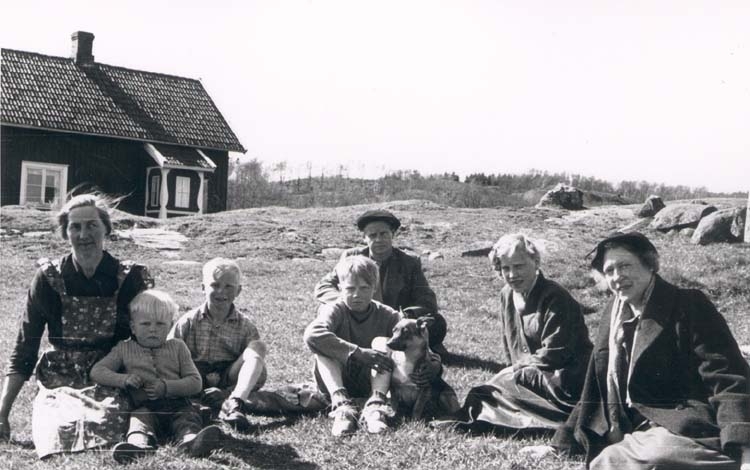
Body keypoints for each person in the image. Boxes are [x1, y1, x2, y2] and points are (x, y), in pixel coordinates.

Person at [527, 232, 750, 470]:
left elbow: (726, 377)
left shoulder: (688, 304)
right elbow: (595, 387)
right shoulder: (613, 314)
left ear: (650, 264)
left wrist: (744, 448)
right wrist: (560, 444)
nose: (617, 277)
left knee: (638, 458)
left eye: (625, 266)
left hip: (683, 422)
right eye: (609, 270)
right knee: (631, 457)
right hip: (634, 425)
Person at [0, 193, 154, 458]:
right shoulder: (48, 278)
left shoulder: (130, 277)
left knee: (110, 420)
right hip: (60, 375)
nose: (84, 235)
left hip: (110, 371)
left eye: (92, 225)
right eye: (75, 227)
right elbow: (26, 347)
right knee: (55, 426)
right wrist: (2, 413)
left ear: (106, 228)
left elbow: (150, 337)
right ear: (65, 232)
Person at [435, 233, 592, 431]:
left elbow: (555, 353)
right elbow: (509, 343)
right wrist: (513, 372)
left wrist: (514, 372)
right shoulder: (507, 294)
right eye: (505, 268)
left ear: (536, 263)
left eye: (519, 266)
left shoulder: (556, 297)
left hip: (564, 380)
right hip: (530, 374)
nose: (512, 275)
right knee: (486, 394)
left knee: (490, 393)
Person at [304, 255, 441, 437]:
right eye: (350, 288)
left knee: (381, 342)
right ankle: (342, 407)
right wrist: (358, 353)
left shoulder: (388, 315)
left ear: (374, 288)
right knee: (322, 346)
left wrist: (434, 365)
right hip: (336, 379)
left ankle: (376, 406)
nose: (356, 295)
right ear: (340, 288)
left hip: (371, 381)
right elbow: (311, 335)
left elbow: (420, 344)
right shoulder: (335, 309)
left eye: (364, 288)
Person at [90, 290, 223, 463]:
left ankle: (191, 441)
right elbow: (97, 371)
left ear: (170, 325)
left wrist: (167, 387)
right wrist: (124, 379)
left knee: (188, 417)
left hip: (178, 405)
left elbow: (195, 382)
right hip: (145, 407)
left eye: (160, 324)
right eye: (145, 324)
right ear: (133, 327)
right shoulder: (123, 349)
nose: (153, 329)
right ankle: (138, 446)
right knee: (139, 420)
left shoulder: (178, 347)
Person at [314, 209, 448, 357]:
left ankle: (400, 347)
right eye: (372, 235)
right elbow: (324, 286)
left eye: (384, 234)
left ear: (393, 234)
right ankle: (346, 347)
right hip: (356, 318)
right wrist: (346, 301)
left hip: (391, 323)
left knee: (437, 322)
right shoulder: (352, 257)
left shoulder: (409, 262)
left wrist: (407, 314)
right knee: (324, 309)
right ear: (364, 238)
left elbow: (426, 299)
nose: (378, 239)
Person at [169, 257, 267, 432]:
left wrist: (227, 391)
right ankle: (194, 401)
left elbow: (256, 372)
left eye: (229, 286)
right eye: (215, 285)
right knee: (172, 353)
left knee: (258, 347)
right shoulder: (188, 321)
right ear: (203, 287)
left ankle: (235, 402)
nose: (221, 291)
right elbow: (168, 353)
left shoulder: (245, 325)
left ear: (238, 291)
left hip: (227, 375)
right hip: (194, 374)